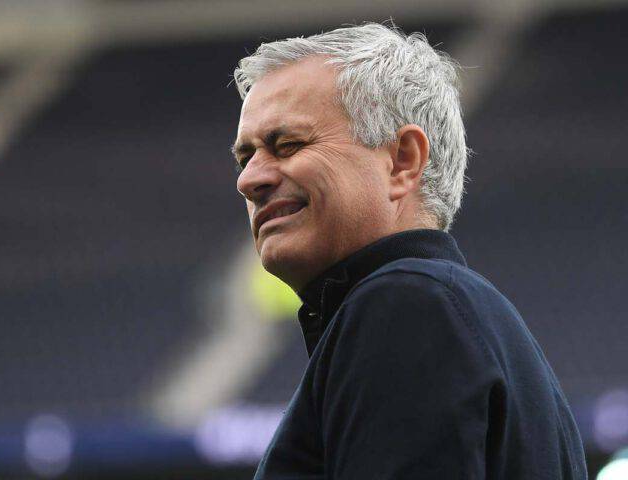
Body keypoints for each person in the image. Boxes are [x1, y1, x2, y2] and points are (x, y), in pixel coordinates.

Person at [231, 23, 587, 479]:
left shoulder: (407, 303)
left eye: (287, 145)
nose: (249, 180)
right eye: (245, 158)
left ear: (403, 161)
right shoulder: (452, 312)